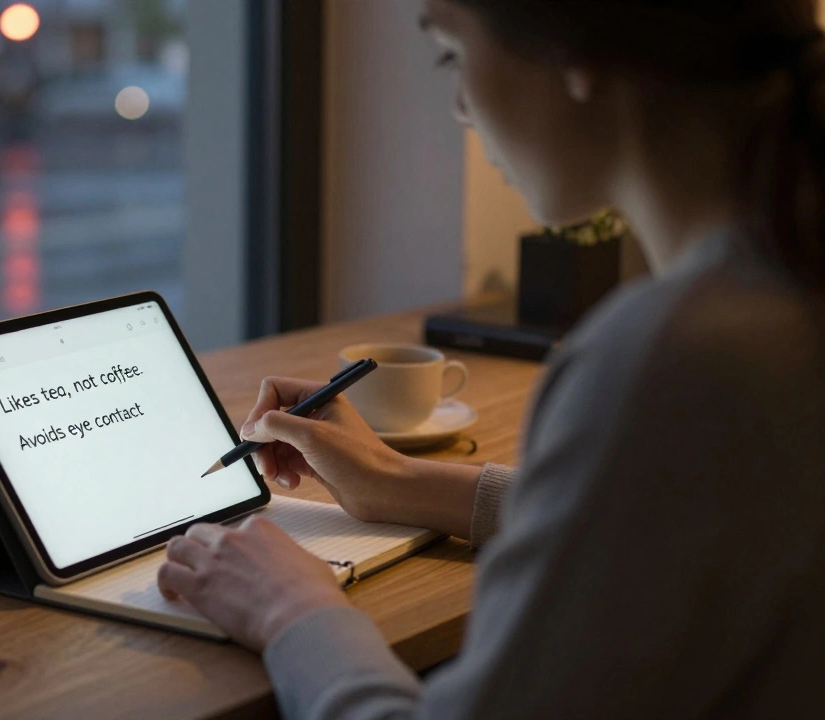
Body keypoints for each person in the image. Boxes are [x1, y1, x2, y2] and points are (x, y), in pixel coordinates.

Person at [156, 1, 825, 717]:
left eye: (452, 53)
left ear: (574, 52)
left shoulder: (673, 358)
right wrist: (396, 480)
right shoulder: (781, 293)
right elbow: (669, 517)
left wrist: (291, 608)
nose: (460, 108)